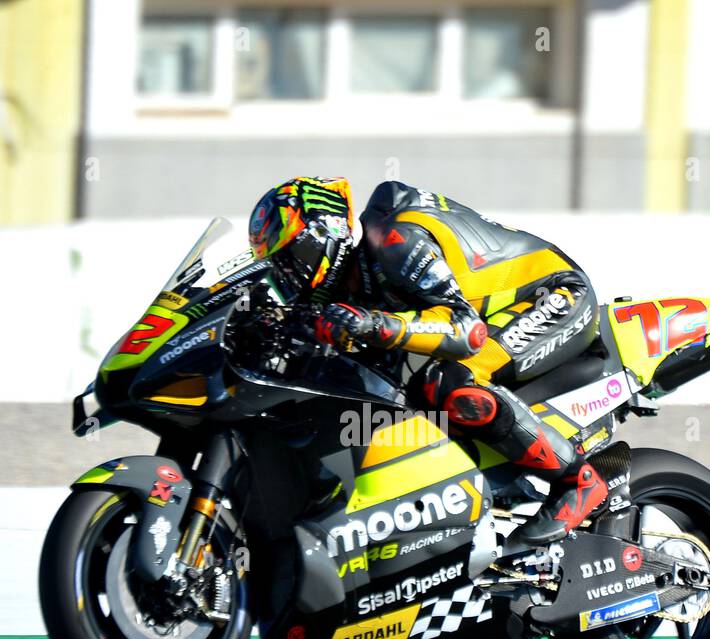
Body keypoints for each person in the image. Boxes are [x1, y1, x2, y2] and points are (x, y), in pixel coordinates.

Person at [247, 176, 608, 544]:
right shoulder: (342, 288)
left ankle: (577, 481)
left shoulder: (394, 240)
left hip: (556, 297)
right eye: (278, 267)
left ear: (325, 235)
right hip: (489, 317)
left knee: (452, 383)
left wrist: (374, 324)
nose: (287, 275)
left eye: (290, 259)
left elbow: (466, 331)